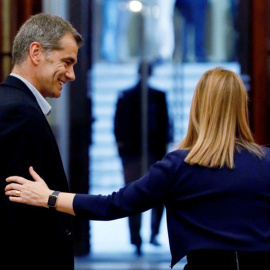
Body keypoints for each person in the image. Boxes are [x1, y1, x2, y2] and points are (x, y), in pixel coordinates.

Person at [5, 67, 270, 269]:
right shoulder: (266, 162)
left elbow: (113, 205)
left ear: (199, 107)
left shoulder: (179, 166)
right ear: (240, 107)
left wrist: (49, 197)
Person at [0, 13, 83, 270]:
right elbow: (19, 212)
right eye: (67, 62)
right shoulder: (20, 113)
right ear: (36, 52)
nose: (71, 75)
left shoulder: (11, 102)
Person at [113, 61, 173, 255]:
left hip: (151, 153)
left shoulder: (157, 96)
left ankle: (147, 235)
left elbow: (165, 125)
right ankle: (139, 237)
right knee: (134, 194)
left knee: (151, 194)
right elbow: (118, 127)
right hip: (135, 154)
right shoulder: (128, 96)